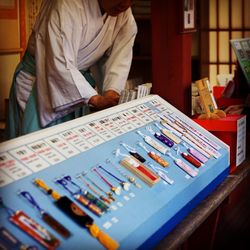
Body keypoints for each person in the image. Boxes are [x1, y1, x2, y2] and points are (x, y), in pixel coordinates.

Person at [6, 0, 137, 139]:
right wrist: (94, 99)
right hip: (40, 80)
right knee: (37, 145)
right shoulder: (66, 4)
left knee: (70, 143)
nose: (125, 4)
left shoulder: (123, 14)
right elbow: (59, 58)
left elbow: (120, 57)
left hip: (78, 89)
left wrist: (112, 91)